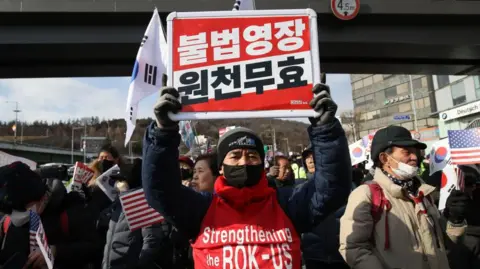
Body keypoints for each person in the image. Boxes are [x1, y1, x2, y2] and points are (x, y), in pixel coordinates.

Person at [142, 84, 351, 268]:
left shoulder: (288, 204)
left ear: (262, 164)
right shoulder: (201, 209)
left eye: (252, 155)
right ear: (221, 167)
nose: (244, 162)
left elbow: (331, 188)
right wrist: (163, 132)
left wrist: (325, 129)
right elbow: (161, 190)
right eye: (235, 156)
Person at [339, 125, 469, 269]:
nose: (414, 157)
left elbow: (443, 244)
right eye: (407, 152)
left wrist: (454, 220)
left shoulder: (423, 193)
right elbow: (353, 248)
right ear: (384, 158)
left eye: (415, 152)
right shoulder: (366, 194)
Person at [102, 158, 173, 269]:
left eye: (120, 181)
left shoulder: (142, 204)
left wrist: (138, 264)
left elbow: (151, 240)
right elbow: (101, 222)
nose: (116, 185)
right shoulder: (118, 204)